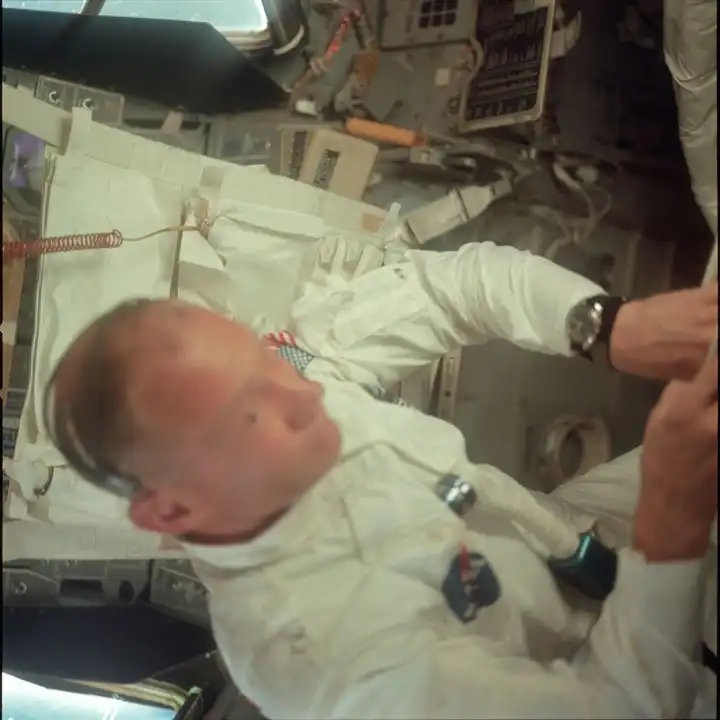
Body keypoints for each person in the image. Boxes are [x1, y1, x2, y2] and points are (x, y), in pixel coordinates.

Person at [44, 241, 717, 719]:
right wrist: (671, 529)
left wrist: (606, 326)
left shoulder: (298, 375)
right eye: (248, 414)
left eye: (260, 360)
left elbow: (450, 289)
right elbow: (619, 708)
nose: (305, 395)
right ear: (172, 512)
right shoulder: (325, 667)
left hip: (583, 536)